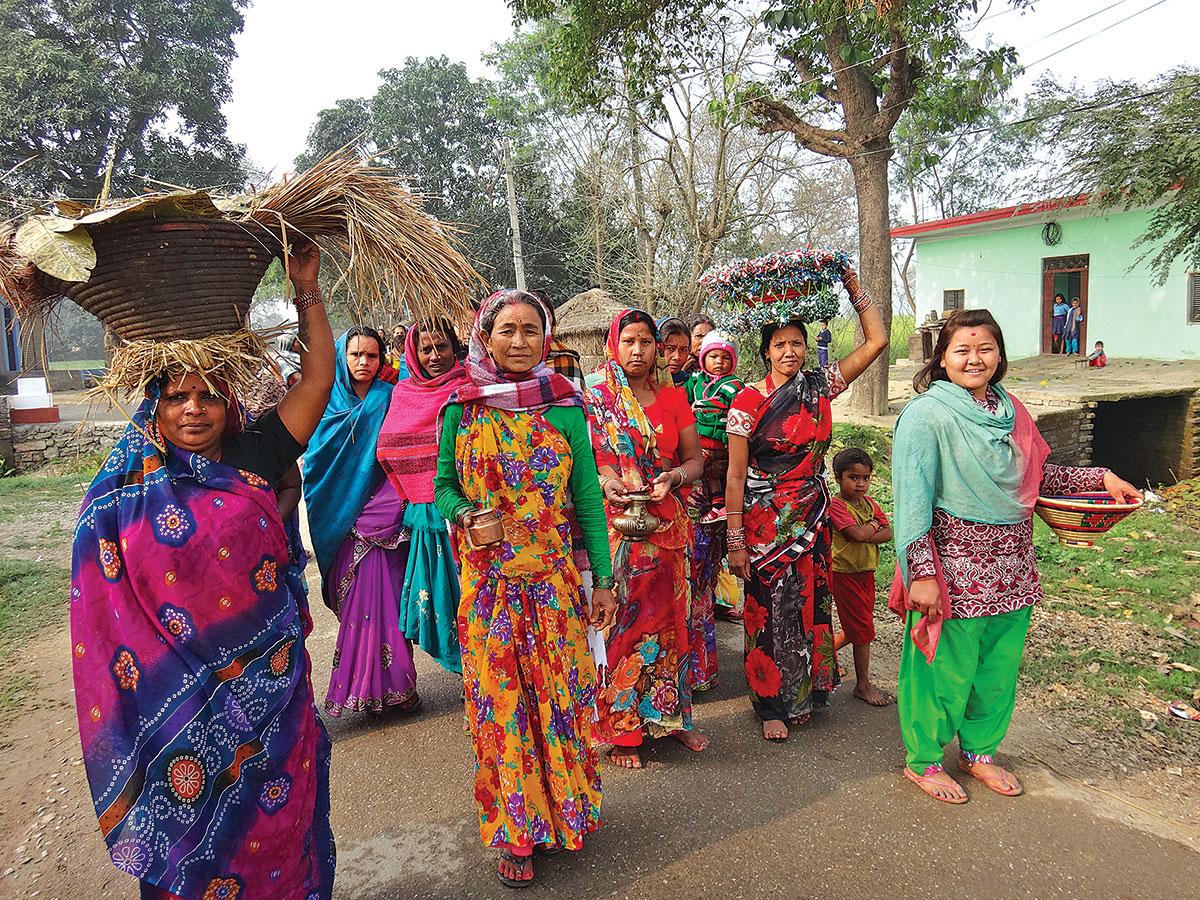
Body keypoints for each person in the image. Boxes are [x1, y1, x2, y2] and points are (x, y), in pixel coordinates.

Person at [70, 243, 337, 899]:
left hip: (270, 697)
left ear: (227, 404)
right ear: (153, 408)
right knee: (193, 846)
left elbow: (318, 382)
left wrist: (306, 288)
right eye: (177, 397)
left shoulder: (255, 453)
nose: (193, 409)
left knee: (277, 826)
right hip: (175, 709)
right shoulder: (121, 492)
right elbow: (100, 598)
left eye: (207, 397)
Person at [891, 308, 1140, 804]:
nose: (974, 358)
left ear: (999, 355)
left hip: (1013, 568)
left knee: (997, 671)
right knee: (941, 669)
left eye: (985, 348)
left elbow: (1037, 478)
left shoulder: (1011, 410)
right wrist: (922, 575)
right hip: (953, 571)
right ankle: (924, 760)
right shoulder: (927, 416)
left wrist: (1100, 477)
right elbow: (912, 500)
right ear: (942, 357)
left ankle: (980, 751)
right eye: (962, 349)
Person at [433, 289, 616, 888]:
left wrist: (604, 580)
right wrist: (464, 515)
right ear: (484, 338)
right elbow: (440, 487)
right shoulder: (461, 407)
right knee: (503, 707)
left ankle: (562, 812)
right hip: (487, 586)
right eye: (506, 330)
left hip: (555, 583)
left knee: (559, 701)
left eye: (530, 331)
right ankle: (517, 830)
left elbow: (587, 499)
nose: (518, 342)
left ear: (547, 338)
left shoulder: (565, 407)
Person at [725, 264, 888, 742]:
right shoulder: (746, 402)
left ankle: (810, 692)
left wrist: (854, 285)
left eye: (797, 342)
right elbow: (735, 473)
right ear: (766, 351)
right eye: (780, 344)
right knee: (769, 607)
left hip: (812, 515)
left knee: (811, 603)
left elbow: (876, 342)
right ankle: (770, 702)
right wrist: (735, 539)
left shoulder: (820, 386)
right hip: (763, 520)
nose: (791, 351)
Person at [586, 308, 709, 768]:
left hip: (669, 527)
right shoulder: (595, 400)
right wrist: (606, 481)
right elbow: (587, 463)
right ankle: (623, 733)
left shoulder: (674, 398)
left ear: (658, 347)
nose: (637, 351)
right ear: (611, 346)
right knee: (622, 625)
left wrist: (674, 476)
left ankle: (671, 718)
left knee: (675, 623)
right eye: (628, 341)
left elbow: (696, 460)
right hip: (619, 529)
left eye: (645, 342)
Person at [304, 326, 419, 717]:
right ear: (342, 357)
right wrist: (345, 509)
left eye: (372, 356)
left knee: (388, 604)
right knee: (358, 610)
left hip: (385, 520)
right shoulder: (324, 404)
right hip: (341, 521)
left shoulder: (390, 398)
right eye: (355, 356)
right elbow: (318, 468)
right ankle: (360, 690)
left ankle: (399, 690)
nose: (363, 363)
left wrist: (386, 506)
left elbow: (402, 453)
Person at [377, 318, 469, 674]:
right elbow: (387, 449)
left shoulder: (469, 387)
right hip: (426, 515)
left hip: (466, 511)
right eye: (424, 349)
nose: (434, 356)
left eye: (441, 347)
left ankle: (484, 670)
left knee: (471, 595)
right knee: (443, 597)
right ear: (412, 354)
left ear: (454, 349)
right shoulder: (404, 393)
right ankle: (467, 673)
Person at [680, 329, 745, 691]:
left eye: (724, 356)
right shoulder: (687, 387)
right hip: (680, 496)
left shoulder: (731, 389)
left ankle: (699, 671)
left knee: (700, 583)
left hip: (711, 481)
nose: (717, 363)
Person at [829, 447, 892, 707]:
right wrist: (874, 527)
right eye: (853, 478)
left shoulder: (870, 504)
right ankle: (863, 685)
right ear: (838, 478)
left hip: (866, 570)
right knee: (863, 629)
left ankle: (825, 655)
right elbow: (855, 535)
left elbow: (888, 534)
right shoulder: (836, 505)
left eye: (865, 478)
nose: (861, 484)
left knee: (859, 624)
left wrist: (870, 529)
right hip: (844, 573)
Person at [657, 315, 693, 385]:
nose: (677, 357)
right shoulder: (638, 384)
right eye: (670, 348)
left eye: (683, 349)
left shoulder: (692, 386)